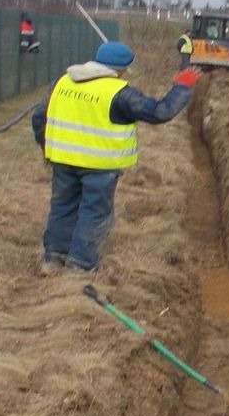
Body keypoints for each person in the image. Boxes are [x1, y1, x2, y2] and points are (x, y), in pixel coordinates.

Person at [31, 40, 201, 274]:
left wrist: (47, 148)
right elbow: (160, 112)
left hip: (62, 160)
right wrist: (182, 87)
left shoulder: (62, 82)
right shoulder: (119, 94)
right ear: (121, 69)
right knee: (94, 211)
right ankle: (80, 265)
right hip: (99, 166)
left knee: (62, 206)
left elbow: (39, 117)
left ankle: (52, 259)